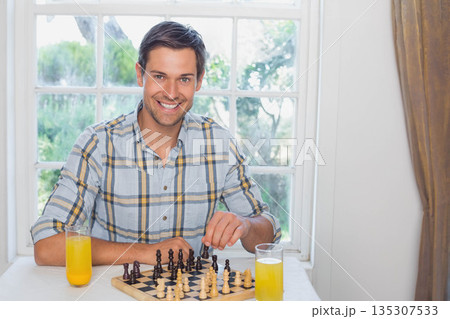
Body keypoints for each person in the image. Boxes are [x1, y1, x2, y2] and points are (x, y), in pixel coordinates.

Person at [31, 21, 281, 266]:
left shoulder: (220, 143)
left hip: (192, 298)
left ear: (199, 81)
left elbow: (268, 233)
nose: (171, 93)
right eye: (160, 76)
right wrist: (142, 252)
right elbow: (47, 246)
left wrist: (246, 225)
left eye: (184, 79)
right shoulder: (98, 143)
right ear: (141, 75)